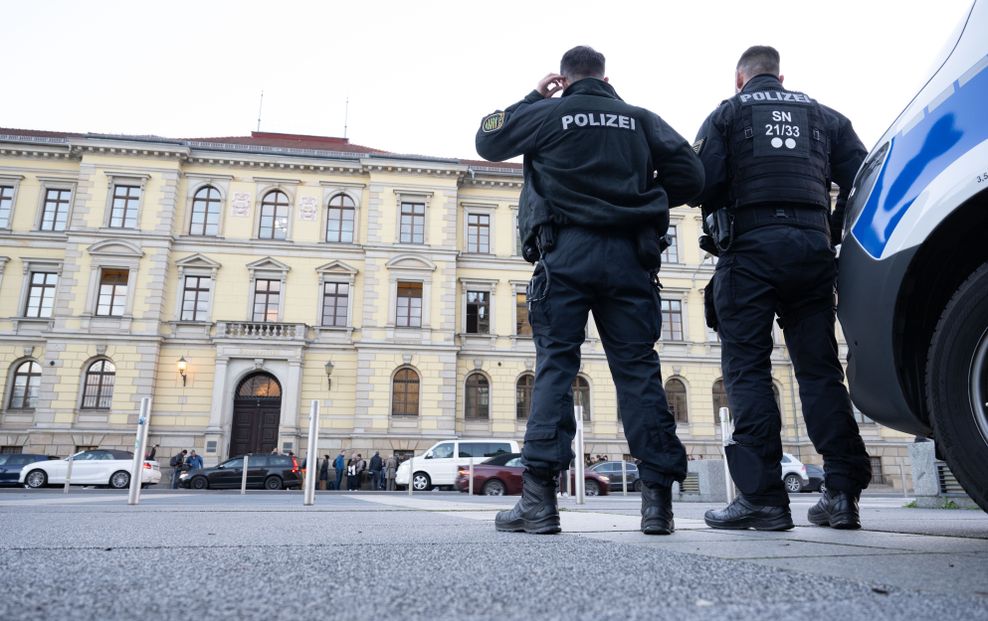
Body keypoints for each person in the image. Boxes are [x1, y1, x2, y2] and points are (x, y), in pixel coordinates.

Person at [475, 45, 704, 535]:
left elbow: (487, 139)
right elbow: (693, 175)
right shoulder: (640, 118)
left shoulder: (547, 113)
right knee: (639, 371)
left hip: (565, 255)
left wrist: (531, 97)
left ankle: (538, 502)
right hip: (630, 259)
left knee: (557, 366)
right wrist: (645, 196)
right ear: (605, 75)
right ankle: (657, 505)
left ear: (564, 77)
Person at [690, 45, 872, 531]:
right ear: (780, 76)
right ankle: (841, 495)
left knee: (747, 370)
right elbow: (864, 177)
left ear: (739, 79)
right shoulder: (825, 116)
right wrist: (832, 229)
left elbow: (699, 181)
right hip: (812, 253)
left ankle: (763, 499)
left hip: (749, 252)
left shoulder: (727, 114)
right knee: (819, 372)